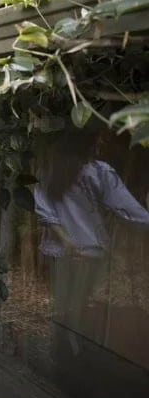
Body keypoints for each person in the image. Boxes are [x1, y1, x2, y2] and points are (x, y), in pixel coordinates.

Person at [34, 126, 149, 348]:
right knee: (78, 302)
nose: (101, 143)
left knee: (62, 301)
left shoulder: (49, 170)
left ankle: (61, 344)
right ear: (89, 142)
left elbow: (44, 210)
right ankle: (73, 346)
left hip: (59, 249)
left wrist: (66, 241)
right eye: (98, 139)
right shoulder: (99, 172)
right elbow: (126, 208)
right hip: (89, 250)